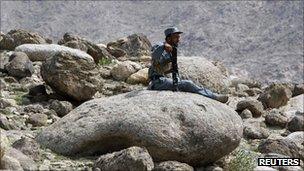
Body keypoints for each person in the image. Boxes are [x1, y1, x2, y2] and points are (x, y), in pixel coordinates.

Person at [147, 27, 229, 103]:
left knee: (186, 84)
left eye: (179, 37)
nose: (178, 40)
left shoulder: (173, 49)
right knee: (187, 84)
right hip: (157, 82)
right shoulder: (159, 45)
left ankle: (210, 95)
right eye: (176, 37)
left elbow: (171, 69)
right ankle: (214, 97)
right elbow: (154, 55)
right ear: (169, 38)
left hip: (163, 80)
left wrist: (176, 78)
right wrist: (163, 46)